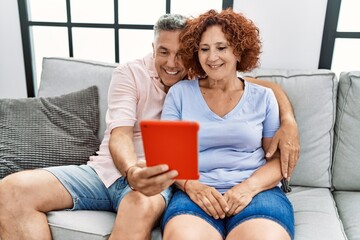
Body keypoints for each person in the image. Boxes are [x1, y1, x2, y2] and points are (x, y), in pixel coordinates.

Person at [0, 13, 297, 240]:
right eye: (163, 52)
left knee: (140, 205)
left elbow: (249, 87)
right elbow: (120, 135)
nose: (172, 63)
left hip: (159, 178)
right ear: (153, 48)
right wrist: (132, 172)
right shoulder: (136, 75)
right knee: (11, 189)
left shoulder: (202, 75)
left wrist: (288, 119)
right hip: (115, 170)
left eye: (181, 53)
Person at [161, 9, 294, 240]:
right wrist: (192, 186)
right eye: (204, 49)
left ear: (239, 51)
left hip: (256, 193)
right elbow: (169, 157)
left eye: (221, 48)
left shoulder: (264, 97)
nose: (212, 57)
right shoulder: (179, 94)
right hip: (195, 193)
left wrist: (248, 188)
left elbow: (276, 161)